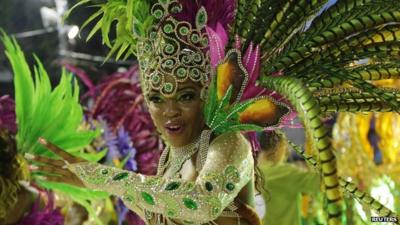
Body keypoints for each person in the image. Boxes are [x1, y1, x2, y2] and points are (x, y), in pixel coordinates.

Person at [27, 0, 400, 224]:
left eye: (186, 96)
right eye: (156, 98)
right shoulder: (169, 157)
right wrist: (96, 185)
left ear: (207, 94)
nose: (169, 112)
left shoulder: (228, 145)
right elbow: (160, 203)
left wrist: (103, 178)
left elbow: (199, 202)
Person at [257, 131, 321, 225]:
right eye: (285, 147)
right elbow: (321, 182)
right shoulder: (286, 173)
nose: (287, 152)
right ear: (278, 148)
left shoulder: (252, 171)